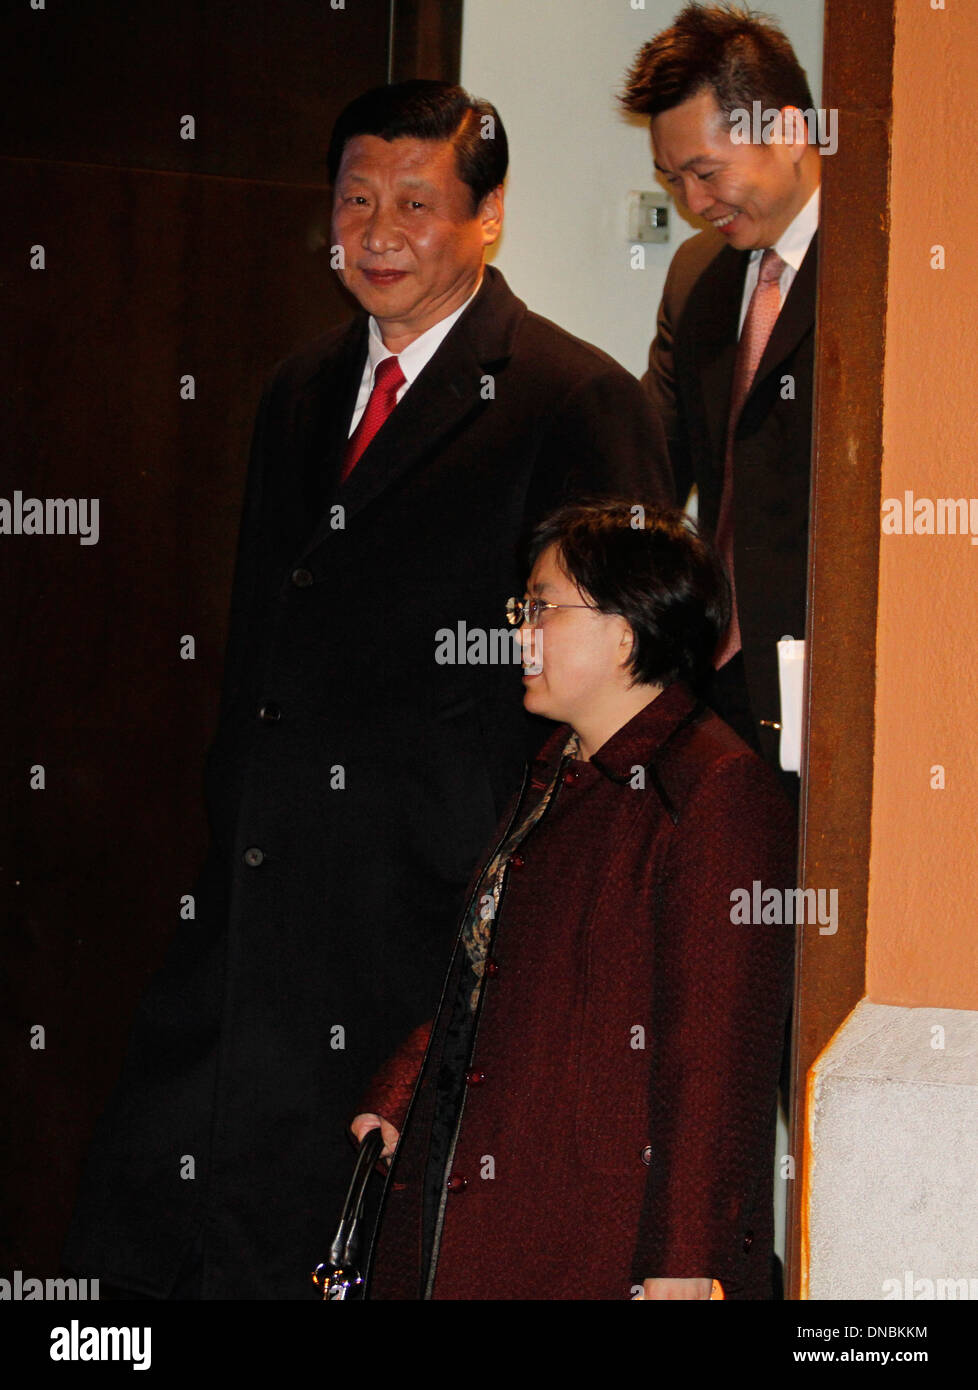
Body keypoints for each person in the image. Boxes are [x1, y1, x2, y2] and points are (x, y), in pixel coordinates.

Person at [62, 81, 671, 1299]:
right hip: (251, 918)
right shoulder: (297, 390)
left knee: (348, 1253)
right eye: (355, 201)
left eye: (417, 203)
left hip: (424, 927)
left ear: (489, 218)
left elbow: (623, 696)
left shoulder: (573, 399)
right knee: (146, 1240)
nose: (378, 232)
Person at [354, 501, 795, 1301]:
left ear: (627, 633)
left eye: (543, 607)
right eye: (522, 609)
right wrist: (403, 1093)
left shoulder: (714, 788)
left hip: (595, 1241)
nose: (520, 631)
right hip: (482, 1210)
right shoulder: (557, 767)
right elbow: (491, 974)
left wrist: (686, 1260)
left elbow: (717, 1052)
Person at [620, 3, 820, 767]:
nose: (694, 204)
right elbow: (651, 464)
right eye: (673, 179)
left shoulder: (879, 265)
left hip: (826, 676)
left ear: (792, 132)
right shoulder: (697, 276)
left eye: (707, 172)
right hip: (712, 679)